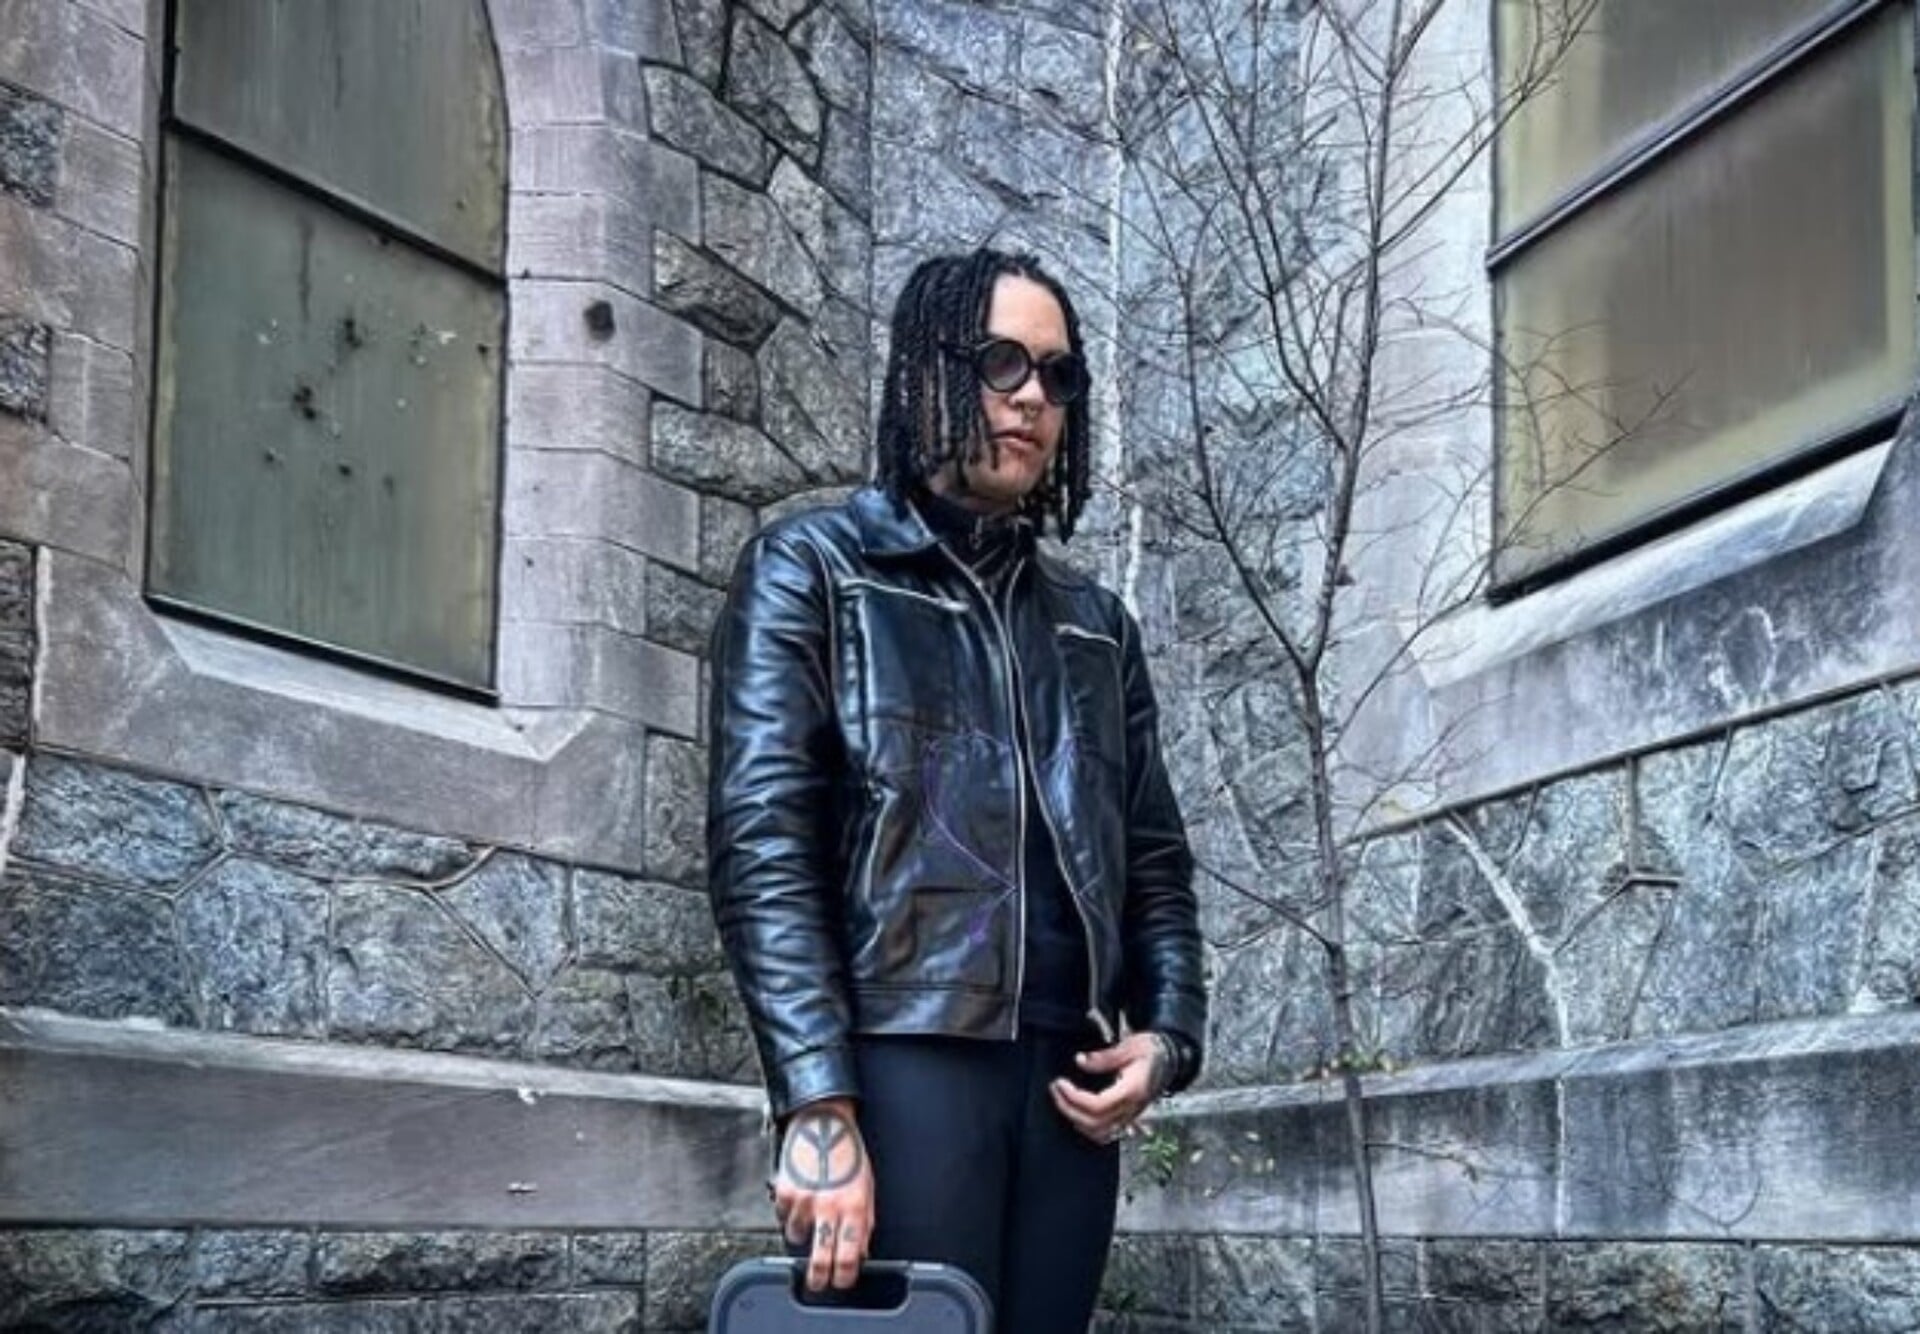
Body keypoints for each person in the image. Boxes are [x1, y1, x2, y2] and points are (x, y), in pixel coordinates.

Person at [706, 247, 1206, 1333]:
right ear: (924, 372)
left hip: (1072, 1084)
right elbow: (763, 845)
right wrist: (818, 1102)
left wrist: (1168, 1037)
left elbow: (1155, 859)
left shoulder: (1095, 626)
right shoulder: (814, 570)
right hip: (901, 1063)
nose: (1032, 396)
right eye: (1000, 361)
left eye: (1058, 375)